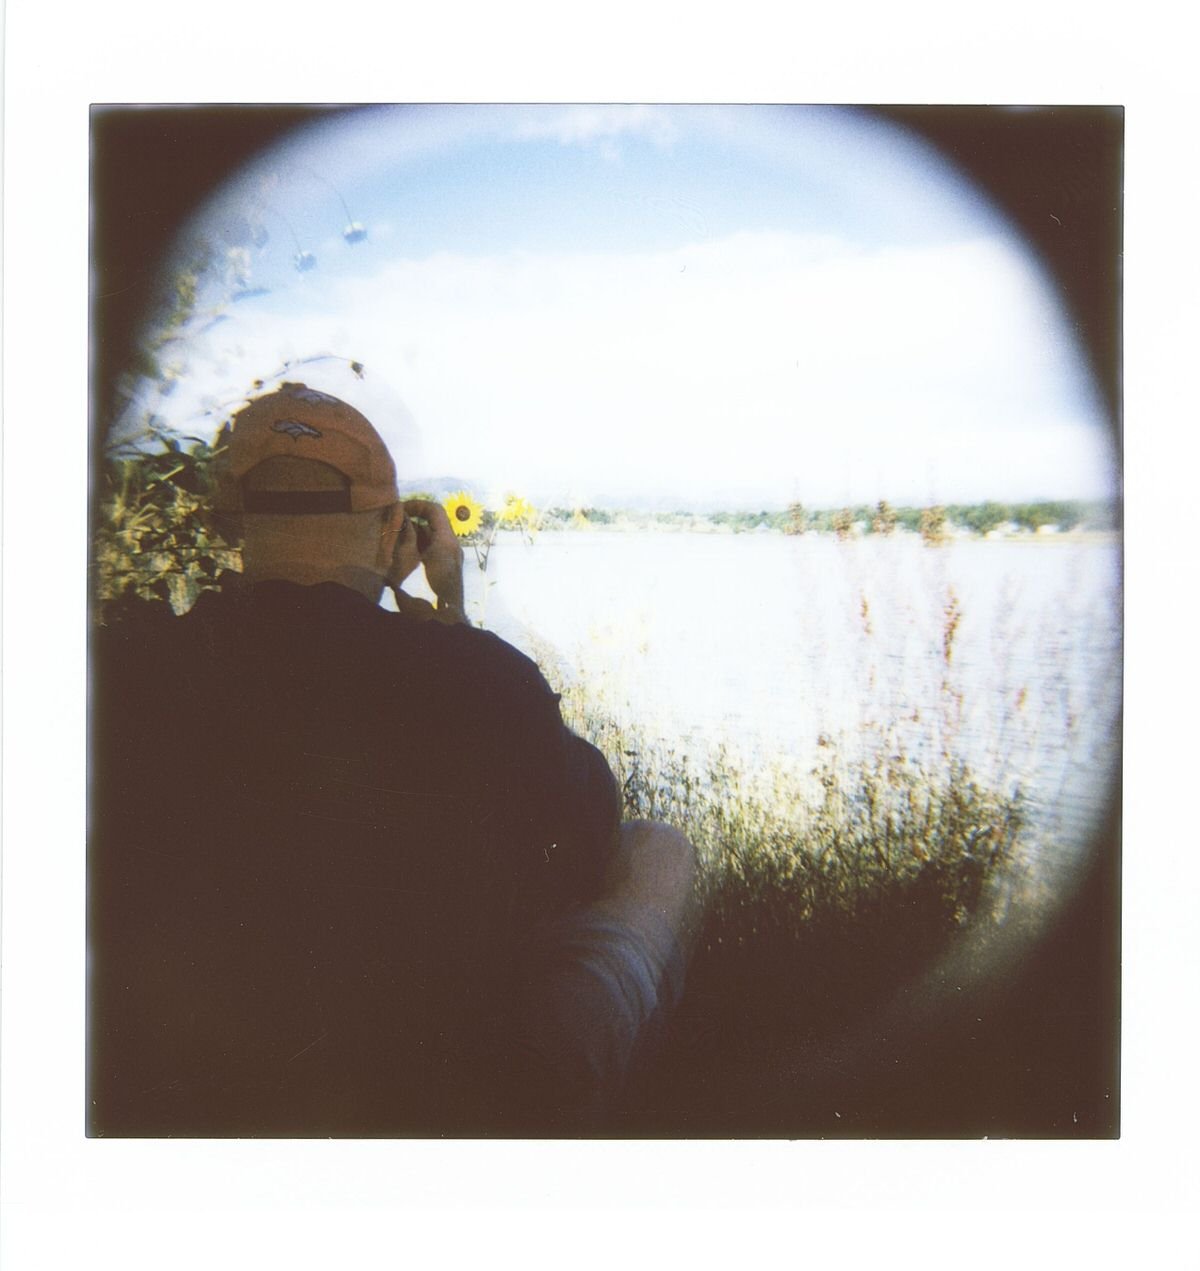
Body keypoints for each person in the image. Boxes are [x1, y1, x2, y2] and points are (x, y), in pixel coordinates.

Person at [89, 381, 696, 1137]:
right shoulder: (479, 678)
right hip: (457, 1090)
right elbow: (586, 830)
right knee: (656, 851)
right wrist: (450, 614)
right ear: (388, 532)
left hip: (208, 1084)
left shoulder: (131, 670)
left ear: (228, 524)